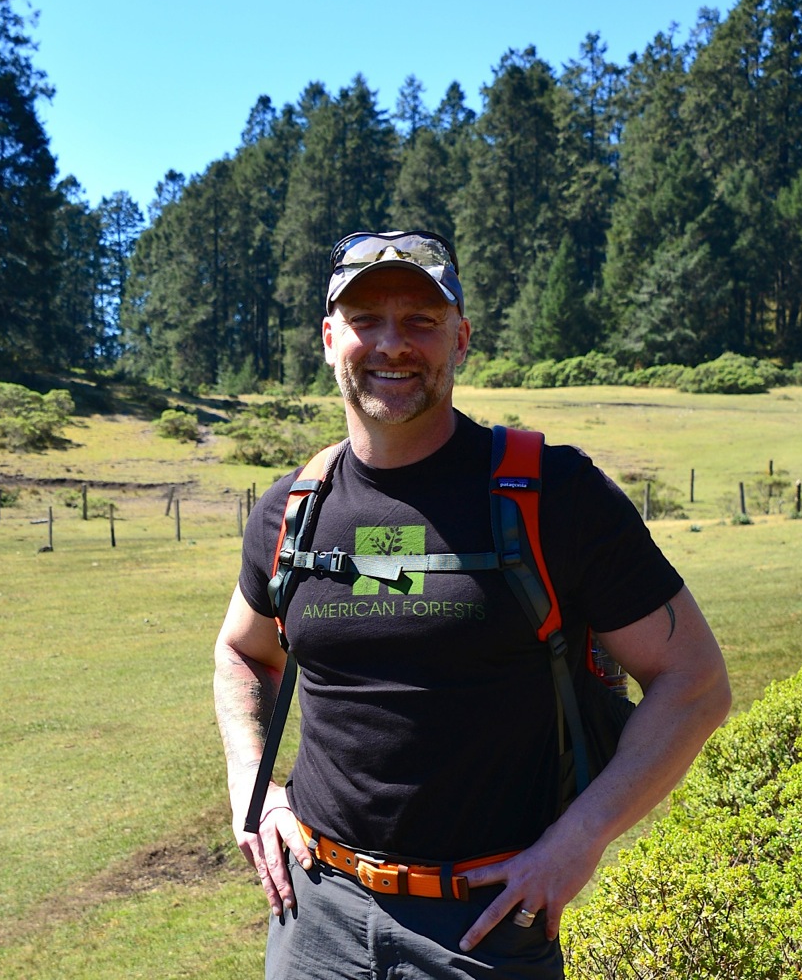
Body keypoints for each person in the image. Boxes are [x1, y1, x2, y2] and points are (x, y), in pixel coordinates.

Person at [213, 230, 731, 979]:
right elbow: (241, 650)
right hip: (313, 919)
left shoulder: (556, 496)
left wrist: (578, 840)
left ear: (460, 338)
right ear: (329, 339)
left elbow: (695, 681)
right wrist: (254, 788)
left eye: (421, 320)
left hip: (485, 930)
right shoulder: (294, 509)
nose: (393, 343)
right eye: (366, 320)